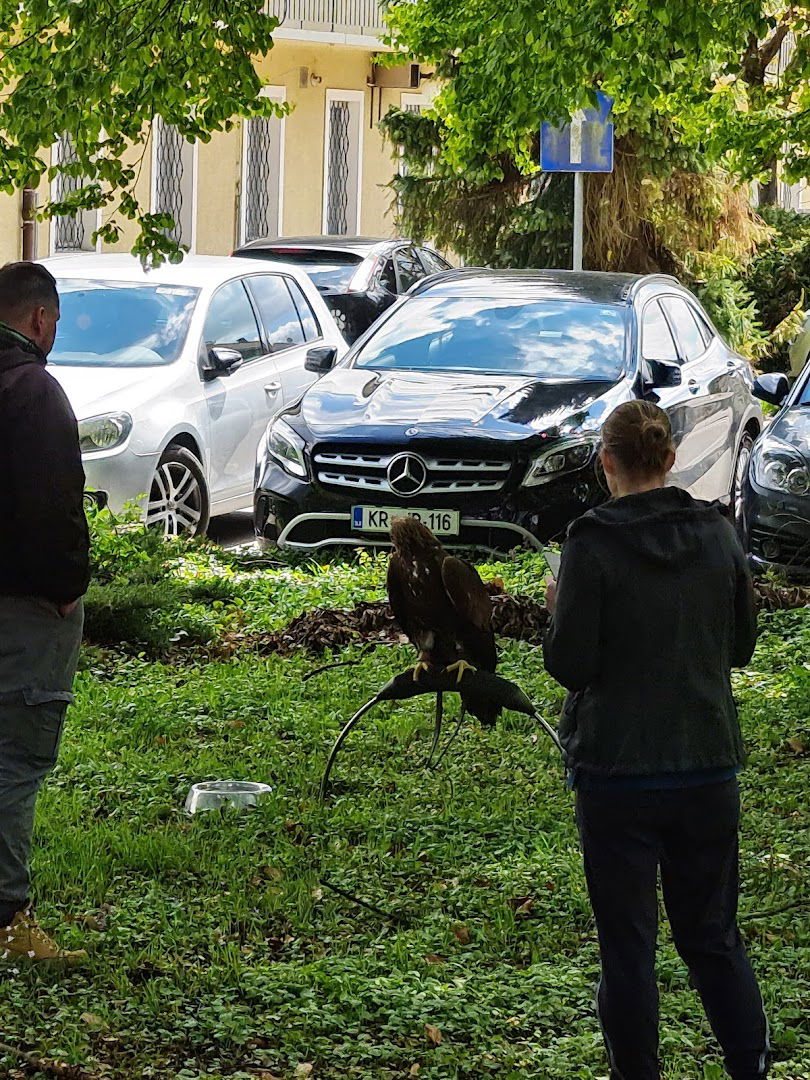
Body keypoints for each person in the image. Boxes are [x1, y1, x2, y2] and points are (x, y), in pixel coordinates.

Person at [542, 400, 769, 1080]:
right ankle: (750, 1066)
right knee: (713, 936)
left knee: (629, 947)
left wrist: (558, 613)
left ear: (606, 462)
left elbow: (571, 665)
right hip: (706, 765)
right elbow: (743, 646)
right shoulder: (719, 534)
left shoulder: (590, 543)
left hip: (617, 774)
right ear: (669, 459)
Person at [0, 261, 90, 963]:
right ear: (38, 319)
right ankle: (9, 919)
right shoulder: (35, 393)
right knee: (15, 760)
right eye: (54, 324)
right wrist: (66, 589)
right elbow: (54, 511)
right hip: (25, 611)